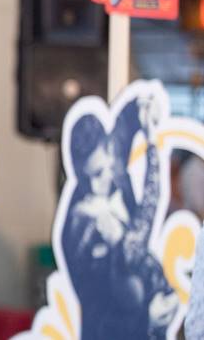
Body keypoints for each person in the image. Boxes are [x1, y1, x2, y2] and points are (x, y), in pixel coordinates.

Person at [61, 96, 178, 339]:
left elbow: (124, 124)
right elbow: (97, 318)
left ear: (111, 154)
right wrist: (148, 317)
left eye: (103, 171)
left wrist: (143, 107)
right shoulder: (78, 229)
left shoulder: (115, 171)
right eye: (89, 176)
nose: (97, 184)